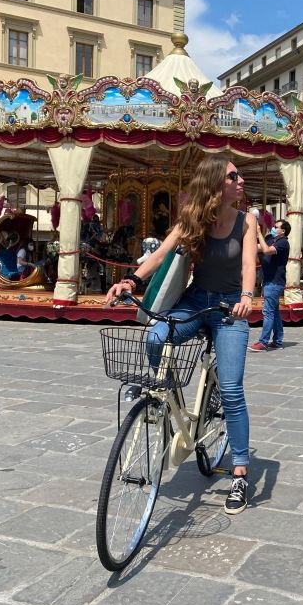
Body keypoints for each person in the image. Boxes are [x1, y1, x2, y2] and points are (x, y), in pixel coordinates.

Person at [105, 156, 256, 515]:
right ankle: (166, 401)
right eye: (233, 176)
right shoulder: (192, 220)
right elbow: (158, 255)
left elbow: (249, 264)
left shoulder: (246, 221)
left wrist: (248, 297)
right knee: (156, 337)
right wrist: (131, 281)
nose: (240, 180)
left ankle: (239, 471)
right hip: (194, 301)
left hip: (230, 308)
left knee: (232, 390)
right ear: (215, 184)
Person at [250, 219, 290, 352]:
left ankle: (263, 342)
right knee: (275, 312)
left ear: (282, 231)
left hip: (274, 282)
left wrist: (259, 233)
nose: (273, 228)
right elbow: (259, 247)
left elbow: (266, 251)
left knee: (268, 312)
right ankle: (278, 340)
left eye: (275, 227)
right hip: (269, 281)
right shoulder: (273, 240)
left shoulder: (283, 243)